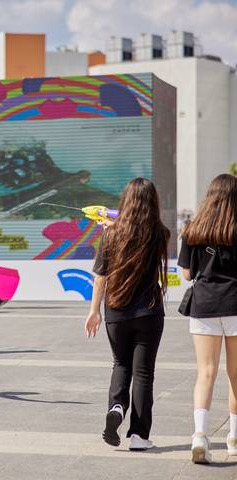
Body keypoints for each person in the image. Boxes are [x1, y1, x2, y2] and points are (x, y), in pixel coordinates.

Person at [84, 178, 170, 452]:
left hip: (115, 312)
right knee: (144, 374)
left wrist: (93, 311)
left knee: (120, 364)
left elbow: (100, 278)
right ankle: (139, 436)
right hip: (149, 312)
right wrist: (118, 225)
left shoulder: (110, 235)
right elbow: (138, 232)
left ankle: (117, 409)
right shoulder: (160, 233)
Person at [178, 173, 237, 463]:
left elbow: (187, 273)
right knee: (235, 374)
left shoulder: (193, 229)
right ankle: (234, 437)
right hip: (236, 303)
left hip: (204, 306)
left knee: (206, 372)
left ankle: (200, 436)